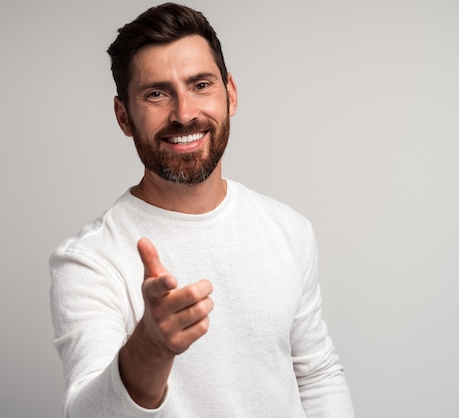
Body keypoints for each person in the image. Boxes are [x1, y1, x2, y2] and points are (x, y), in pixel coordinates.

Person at [49, 3, 354, 417]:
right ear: (124, 116)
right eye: (156, 93)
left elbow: (317, 375)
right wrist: (151, 349)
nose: (185, 113)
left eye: (200, 85)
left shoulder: (287, 228)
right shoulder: (89, 262)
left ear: (230, 94)